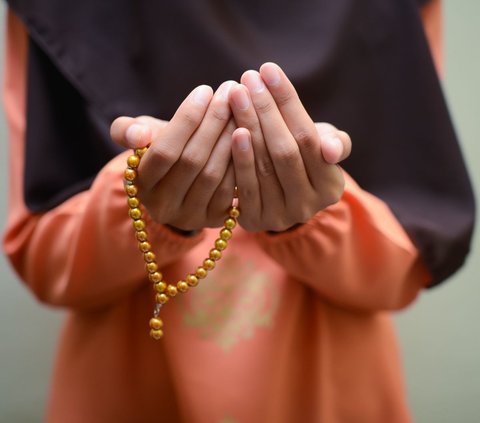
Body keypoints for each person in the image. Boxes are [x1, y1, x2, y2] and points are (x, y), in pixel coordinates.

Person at [2, 1, 474, 422]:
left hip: (329, 384)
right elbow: (43, 259)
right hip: (129, 382)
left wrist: (316, 208)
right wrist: (141, 202)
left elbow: (407, 263)